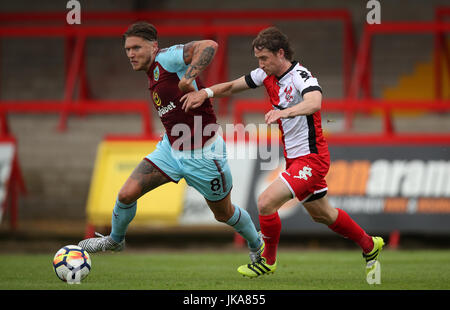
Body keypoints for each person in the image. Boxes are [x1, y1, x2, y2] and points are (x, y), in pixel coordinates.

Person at [180, 26, 384, 278]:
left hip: (312, 158)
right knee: (323, 214)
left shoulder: (301, 75)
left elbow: (314, 103)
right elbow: (233, 86)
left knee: (265, 201)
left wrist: (284, 112)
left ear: (280, 53)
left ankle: (268, 261)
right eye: (258, 58)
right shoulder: (265, 75)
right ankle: (369, 244)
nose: (260, 63)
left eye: (264, 58)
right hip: (295, 159)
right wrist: (206, 92)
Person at [78, 22, 264, 268]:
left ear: (154, 46)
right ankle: (115, 240)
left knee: (224, 213)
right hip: (171, 148)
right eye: (127, 50)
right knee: (126, 194)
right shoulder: (152, 71)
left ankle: (257, 244)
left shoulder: (167, 58)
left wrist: (188, 78)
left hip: (204, 154)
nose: (131, 54)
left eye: (136, 48)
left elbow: (209, 45)